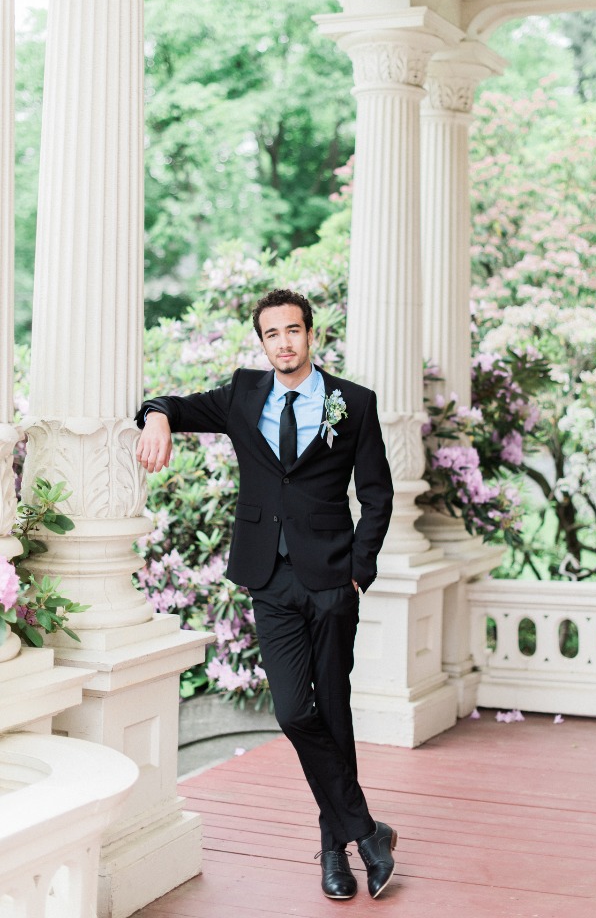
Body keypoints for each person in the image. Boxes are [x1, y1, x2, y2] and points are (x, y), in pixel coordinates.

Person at [135, 288, 396, 900]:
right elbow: (170, 401)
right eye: (273, 334)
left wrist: (360, 567)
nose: (284, 342)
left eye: (294, 331)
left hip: (334, 580)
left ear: (312, 335)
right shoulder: (244, 394)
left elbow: (377, 492)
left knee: (333, 711)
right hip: (268, 579)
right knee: (291, 711)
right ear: (262, 342)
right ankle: (366, 831)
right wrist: (156, 417)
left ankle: (336, 851)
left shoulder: (352, 403)